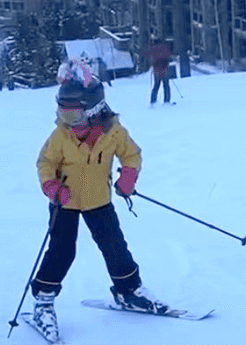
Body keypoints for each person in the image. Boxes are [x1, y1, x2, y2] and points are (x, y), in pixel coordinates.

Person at [26, 59, 169, 335]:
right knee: (62, 250)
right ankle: (43, 300)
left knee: (114, 246)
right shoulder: (60, 136)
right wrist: (52, 187)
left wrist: (127, 177)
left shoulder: (113, 131)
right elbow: (44, 163)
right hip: (64, 201)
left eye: (74, 115)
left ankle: (128, 289)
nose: (67, 121)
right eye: (63, 113)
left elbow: (131, 154)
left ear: (93, 110)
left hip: (98, 199)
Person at [147, 39, 175, 105]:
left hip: (157, 70)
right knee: (166, 86)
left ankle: (153, 101)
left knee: (156, 85)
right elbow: (169, 56)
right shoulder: (164, 47)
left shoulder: (152, 49)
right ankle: (167, 100)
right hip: (165, 69)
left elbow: (150, 59)